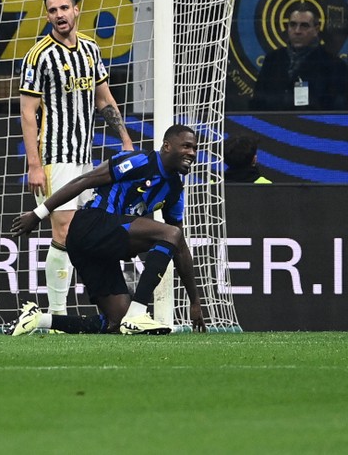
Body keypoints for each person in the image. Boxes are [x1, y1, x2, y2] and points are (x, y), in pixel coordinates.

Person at [10, 125, 208, 335]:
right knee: (171, 233)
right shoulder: (139, 161)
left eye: (194, 148)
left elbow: (181, 248)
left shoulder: (175, 190)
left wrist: (194, 301)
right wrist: (38, 214)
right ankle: (138, 313)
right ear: (167, 146)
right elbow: (84, 180)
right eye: (186, 146)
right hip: (91, 224)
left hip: (99, 246)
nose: (192, 153)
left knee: (116, 323)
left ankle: (39, 319)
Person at [18, 0, 134, 321]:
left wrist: (125, 140)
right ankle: (56, 315)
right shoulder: (38, 56)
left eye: (64, 8)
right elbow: (28, 112)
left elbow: (104, 99)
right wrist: (34, 165)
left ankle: (105, 304)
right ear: (47, 15)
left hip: (86, 157)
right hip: (55, 156)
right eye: (52, 10)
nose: (59, 15)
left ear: (77, 9)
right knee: (64, 231)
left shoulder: (90, 49)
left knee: (87, 232)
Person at [250, 4, 348, 111]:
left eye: (304, 26)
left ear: (316, 29)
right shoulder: (273, 60)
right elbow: (258, 103)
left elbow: (338, 110)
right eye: (293, 25)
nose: (297, 31)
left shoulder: (333, 66)